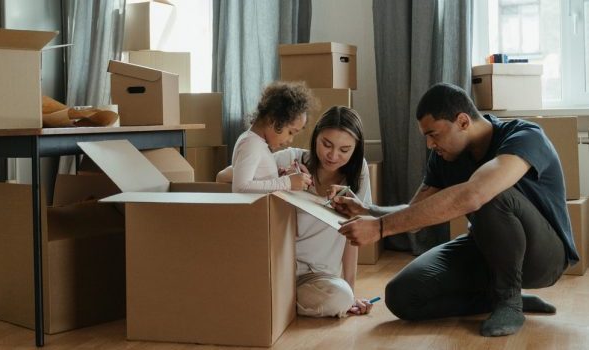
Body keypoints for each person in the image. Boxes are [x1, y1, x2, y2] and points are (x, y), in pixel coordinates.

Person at [332, 83, 579, 336]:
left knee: (489, 193)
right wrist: (368, 211)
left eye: (434, 134)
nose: (429, 144)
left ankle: (510, 301)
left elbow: (476, 194)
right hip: (486, 250)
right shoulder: (444, 157)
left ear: (462, 121)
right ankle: (495, 298)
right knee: (401, 296)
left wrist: (380, 228)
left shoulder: (525, 136)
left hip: (544, 258)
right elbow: (415, 213)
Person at [219, 106, 375, 317]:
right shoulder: (290, 159)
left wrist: (351, 292)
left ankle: (272, 302)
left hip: (318, 277)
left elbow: (353, 236)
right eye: (326, 144)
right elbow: (224, 176)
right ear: (315, 136)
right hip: (277, 268)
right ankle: (273, 300)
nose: (333, 155)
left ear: (356, 149)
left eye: (344, 150)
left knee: (341, 298)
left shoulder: (359, 175)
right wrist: (281, 179)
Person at [230, 81, 314, 193]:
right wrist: (287, 182)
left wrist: (277, 177)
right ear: (272, 119)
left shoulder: (258, 143)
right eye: (290, 132)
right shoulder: (251, 144)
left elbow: (257, 182)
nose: (290, 140)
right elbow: (240, 187)